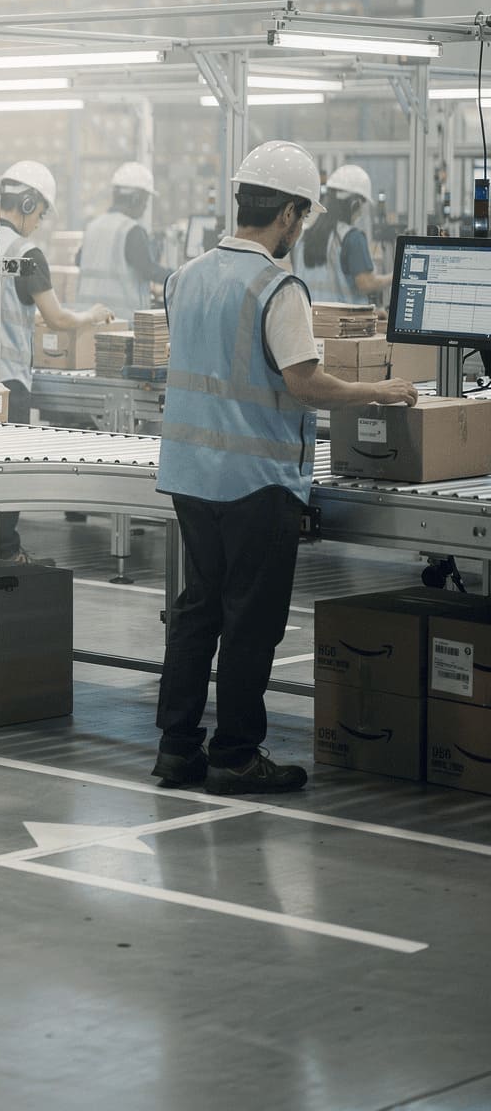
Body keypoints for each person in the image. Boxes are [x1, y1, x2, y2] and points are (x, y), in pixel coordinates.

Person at [153, 139, 417, 795]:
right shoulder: (279, 286)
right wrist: (377, 393)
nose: (302, 230)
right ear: (291, 215)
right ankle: (237, 756)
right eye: (304, 218)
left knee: (198, 610)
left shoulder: (183, 276)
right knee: (250, 623)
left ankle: (177, 749)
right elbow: (306, 383)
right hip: (256, 482)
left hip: (190, 477)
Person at [0, 159, 113, 558]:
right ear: (28, 204)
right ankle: (3, 555)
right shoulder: (26, 252)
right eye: (41, 214)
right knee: (1, 477)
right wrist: (93, 316)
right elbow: (57, 319)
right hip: (0, 385)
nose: (39, 223)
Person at [77, 161, 171, 322]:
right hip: (120, 323)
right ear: (135, 199)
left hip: (88, 319)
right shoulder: (131, 230)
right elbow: (149, 270)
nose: (145, 206)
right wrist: (181, 276)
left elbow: (78, 260)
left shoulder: (93, 226)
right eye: (145, 200)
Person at [294, 163, 392, 304]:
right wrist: (395, 277)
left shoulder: (303, 236)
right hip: (343, 323)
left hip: (310, 321)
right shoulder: (351, 238)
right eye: (362, 202)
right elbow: (366, 284)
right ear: (355, 203)